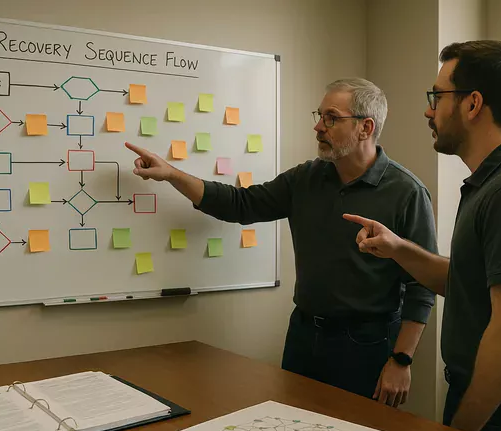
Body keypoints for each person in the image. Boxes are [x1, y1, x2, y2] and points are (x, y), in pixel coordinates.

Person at [125, 78, 437, 407]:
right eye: (319, 115)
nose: (318, 126)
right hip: (305, 335)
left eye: (331, 118)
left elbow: (422, 285)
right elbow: (240, 204)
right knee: (294, 427)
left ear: (365, 128)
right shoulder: (306, 178)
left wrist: (401, 360)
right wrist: (172, 174)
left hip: (367, 344)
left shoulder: (406, 192)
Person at [344, 41, 501, 431]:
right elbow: (469, 281)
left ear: (473, 104)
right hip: (500, 407)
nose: (428, 111)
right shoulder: (494, 183)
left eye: (437, 96)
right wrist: (398, 249)